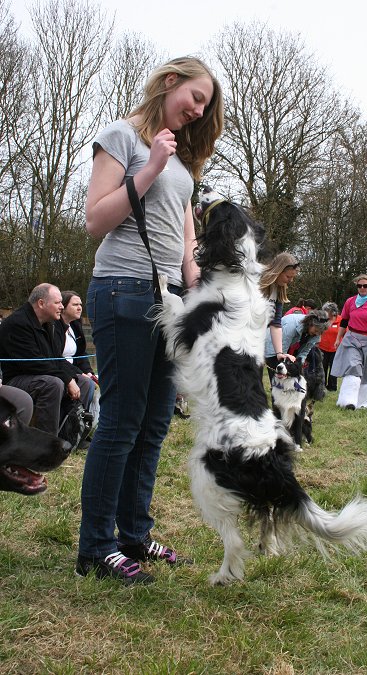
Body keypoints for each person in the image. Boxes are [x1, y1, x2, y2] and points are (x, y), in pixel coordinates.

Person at [76, 56, 224, 585]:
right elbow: (96, 219)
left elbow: (184, 234)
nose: (198, 110)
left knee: (155, 424)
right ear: (170, 82)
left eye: (205, 105)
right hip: (123, 291)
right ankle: (95, 547)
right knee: (120, 422)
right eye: (196, 97)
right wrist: (150, 169)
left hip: (169, 300)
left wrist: (195, 281)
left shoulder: (181, 162)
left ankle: (133, 534)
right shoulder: (122, 136)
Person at [0, 284, 93, 436]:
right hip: (17, 378)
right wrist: (67, 379)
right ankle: (46, 441)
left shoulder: (48, 324)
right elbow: (34, 363)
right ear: (41, 303)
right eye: (58, 303)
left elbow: (56, 358)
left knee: (84, 382)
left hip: (38, 373)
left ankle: (68, 436)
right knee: (53, 384)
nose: (62, 307)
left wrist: (77, 374)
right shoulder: (18, 324)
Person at [331, 274, 367, 410]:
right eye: (359, 286)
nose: (362, 288)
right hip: (352, 337)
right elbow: (344, 321)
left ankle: (364, 403)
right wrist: (338, 338)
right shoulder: (350, 302)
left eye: (365, 286)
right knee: (353, 366)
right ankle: (348, 401)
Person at [55, 291, 97, 406]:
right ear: (63, 306)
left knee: (93, 381)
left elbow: (81, 353)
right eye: (75, 305)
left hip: (75, 370)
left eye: (80, 305)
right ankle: (75, 417)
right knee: (87, 383)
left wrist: (88, 371)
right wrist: (79, 373)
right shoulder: (54, 327)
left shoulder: (75, 325)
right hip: (60, 370)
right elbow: (55, 357)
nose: (79, 308)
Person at [265, 310, 330, 383]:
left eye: (320, 332)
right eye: (316, 330)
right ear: (310, 323)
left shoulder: (316, 334)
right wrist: (285, 363)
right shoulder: (291, 325)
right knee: (277, 379)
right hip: (274, 347)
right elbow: (282, 350)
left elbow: (305, 351)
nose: (317, 333)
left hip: (288, 349)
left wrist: (299, 364)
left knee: (289, 380)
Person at [260, 252, 299, 363]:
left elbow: (276, 324)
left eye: (292, 277)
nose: (290, 280)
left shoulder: (278, 291)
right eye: (288, 276)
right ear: (278, 271)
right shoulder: (254, 282)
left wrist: (279, 353)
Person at [318, 302, 342, 392]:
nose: (325, 312)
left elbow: (346, 332)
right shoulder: (322, 320)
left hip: (336, 348)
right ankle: (322, 386)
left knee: (334, 367)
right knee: (322, 366)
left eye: (327, 311)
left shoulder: (341, 320)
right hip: (322, 347)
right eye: (325, 311)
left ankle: (332, 386)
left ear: (333, 312)